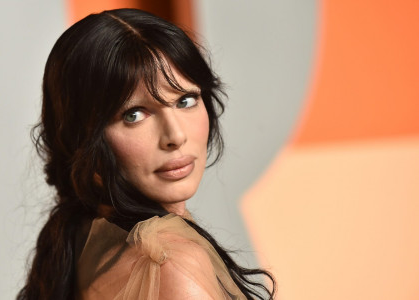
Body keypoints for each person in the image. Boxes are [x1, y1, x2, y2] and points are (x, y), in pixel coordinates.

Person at [17, 8, 275, 300]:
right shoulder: (172, 263)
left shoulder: (79, 241)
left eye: (186, 100)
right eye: (134, 115)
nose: (175, 136)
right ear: (83, 136)